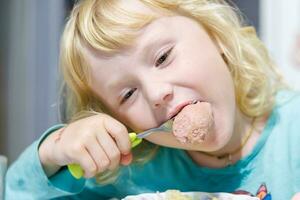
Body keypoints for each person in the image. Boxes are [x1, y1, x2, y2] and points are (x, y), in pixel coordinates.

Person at [5, 0, 300, 199]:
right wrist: (53, 152)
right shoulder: (131, 172)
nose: (157, 94)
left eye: (162, 57)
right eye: (128, 94)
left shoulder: (293, 130)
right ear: (119, 121)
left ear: (216, 36)